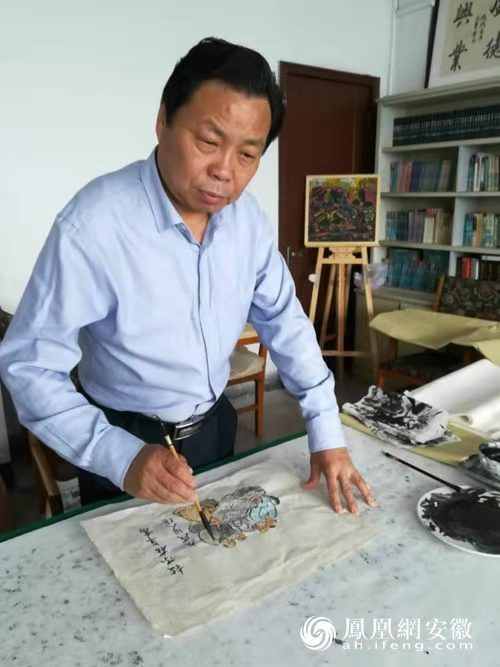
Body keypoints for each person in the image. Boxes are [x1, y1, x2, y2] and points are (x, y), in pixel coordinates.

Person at [0, 37, 375, 514]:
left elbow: (284, 320)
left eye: (247, 154)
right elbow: (29, 365)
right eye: (209, 142)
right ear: (163, 120)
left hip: (215, 426)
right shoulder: (93, 225)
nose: (224, 171)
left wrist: (326, 430)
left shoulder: (247, 220)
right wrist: (119, 456)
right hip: (124, 438)